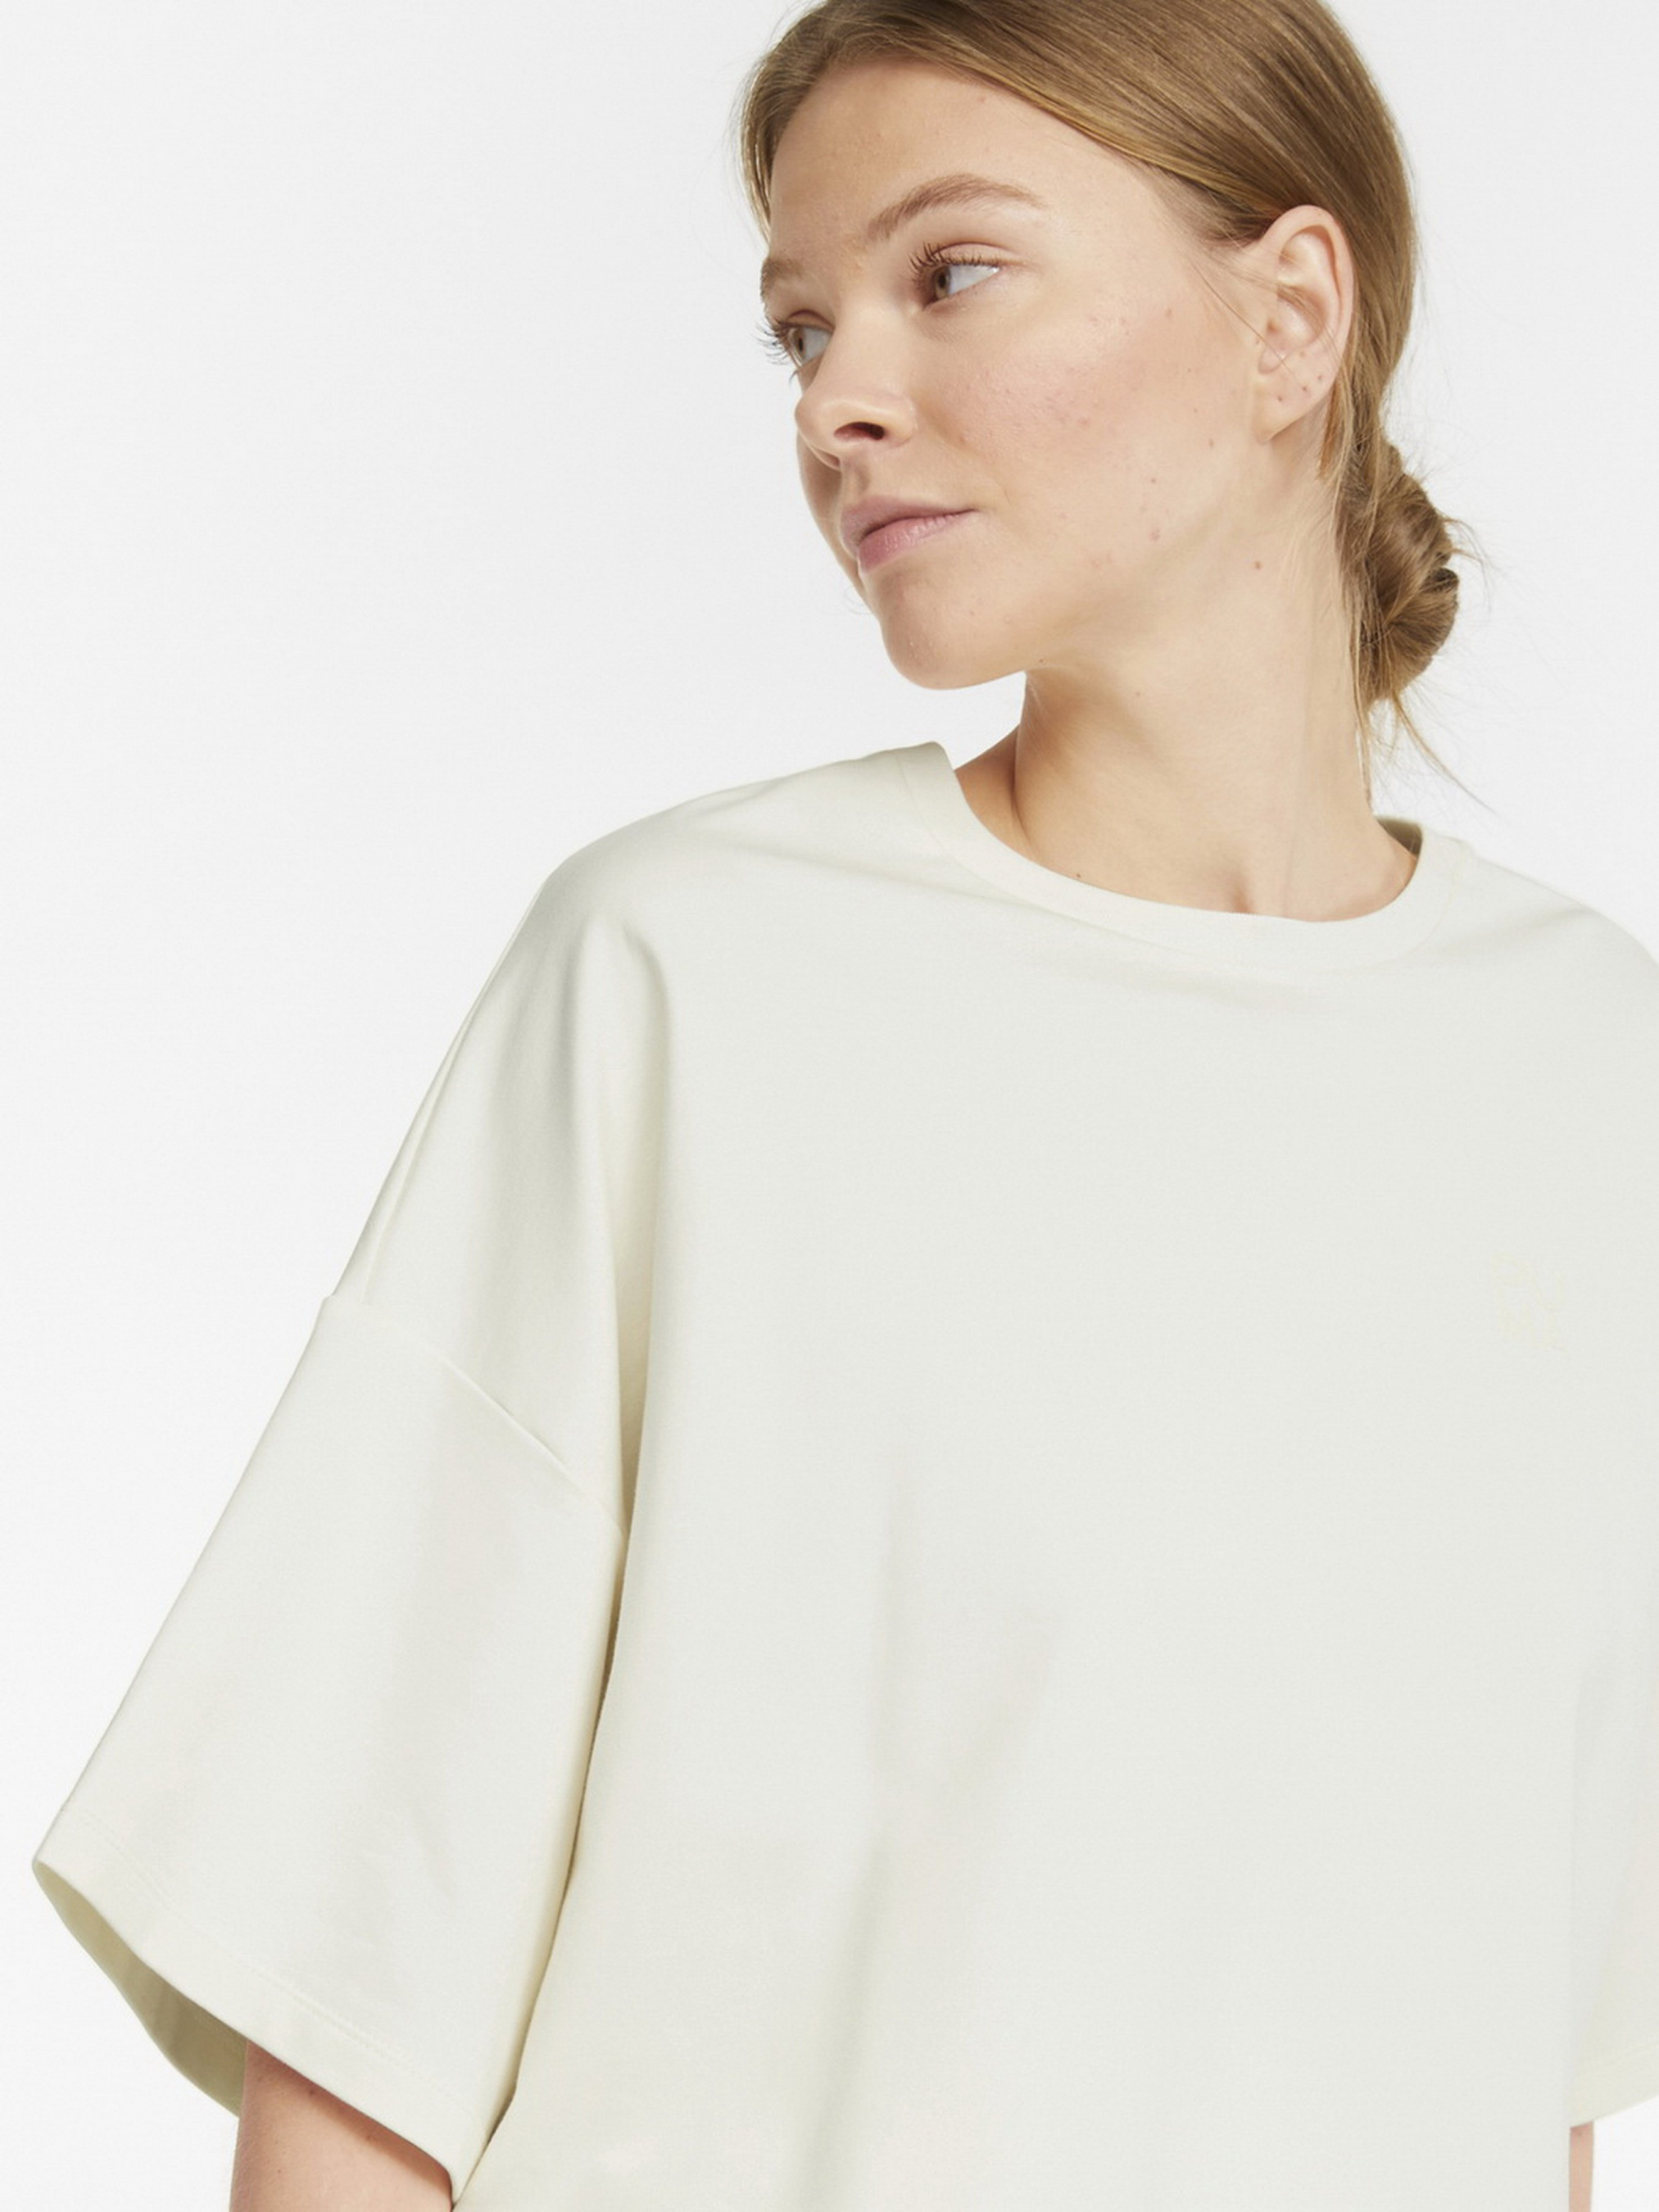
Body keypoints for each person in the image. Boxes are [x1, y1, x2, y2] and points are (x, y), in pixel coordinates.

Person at [29, 1, 1658, 2206]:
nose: (834, 401)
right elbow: (362, 2002)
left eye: (948, 273)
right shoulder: (682, 979)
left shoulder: (1585, 1067)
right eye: (802, 328)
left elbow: (1515, 2047)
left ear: (1290, 317)